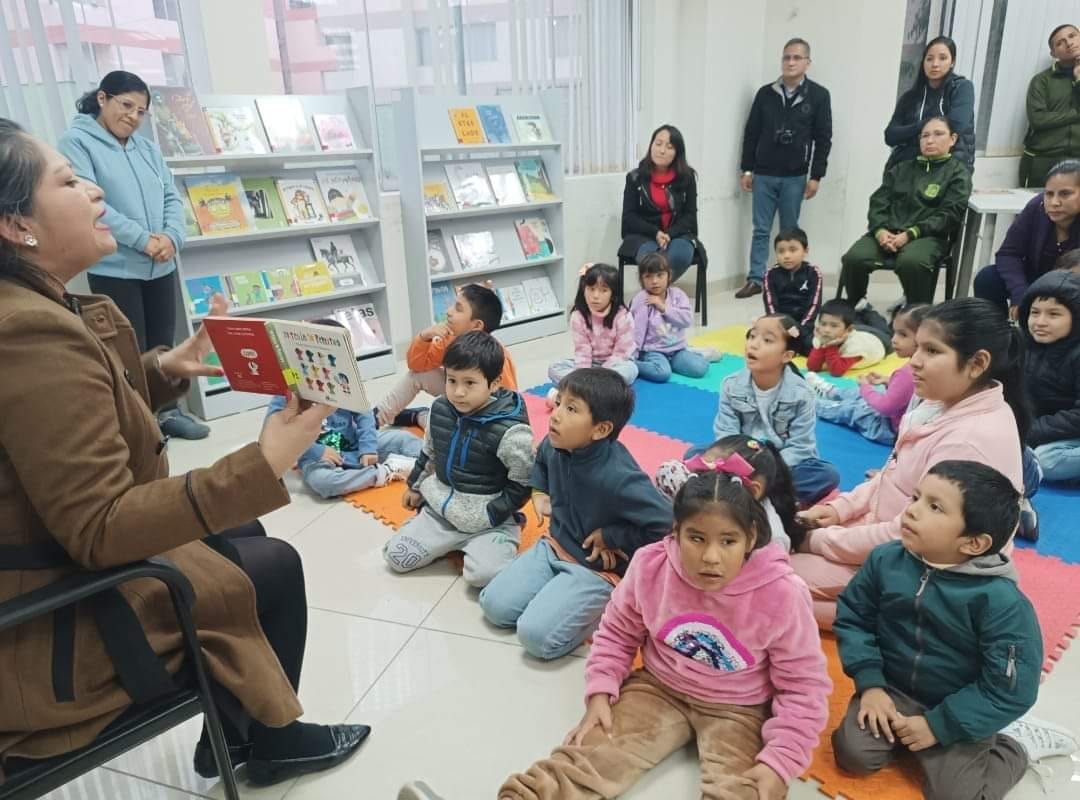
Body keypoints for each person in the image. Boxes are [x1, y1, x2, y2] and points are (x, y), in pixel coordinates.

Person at [0, 118, 368, 786]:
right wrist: (264, 462)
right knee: (273, 563)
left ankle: (242, 731)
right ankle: (268, 739)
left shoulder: (29, 308)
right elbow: (99, 526)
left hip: (44, 559)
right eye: (70, 181)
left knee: (246, 533)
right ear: (16, 225)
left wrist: (161, 368)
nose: (95, 192)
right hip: (53, 625)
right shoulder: (27, 331)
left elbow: (59, 417)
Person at [496, 475, 831, 800]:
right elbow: (617, 632)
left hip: (740, 708)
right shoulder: (651, 565)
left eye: (728, 541)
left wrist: (780, 760)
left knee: (747, 789)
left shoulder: (783, 594)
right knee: (594, 757)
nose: (711, 557)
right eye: (696, 538)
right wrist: (600, 690)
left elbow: (803, 686)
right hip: (658, 688)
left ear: (751, 536)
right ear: (676, 531)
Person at [832, 460, 1079, 798]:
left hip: (958, 705)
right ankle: (912, 737)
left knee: (956, 795)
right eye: (916, 497)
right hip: (893, 689)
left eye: (934, 507)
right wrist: (871, 684)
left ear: (973, 543)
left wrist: (939, 726)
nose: (912, 511)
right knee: (853, 755)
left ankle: (1016, 745)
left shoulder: (1002, 604)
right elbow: (854, 617)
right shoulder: (886, 560)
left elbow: (1010, 689)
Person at [791, 298, 1029, 628]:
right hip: (892, 536)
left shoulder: (967, 440)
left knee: (774, 578)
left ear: (976, 363)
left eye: (931, 351)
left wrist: (816, 540)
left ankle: (911, 622)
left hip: (925, 565)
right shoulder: (938, 402)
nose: (914, 361)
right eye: (917, 347)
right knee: (771, 551)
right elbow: (891, 473)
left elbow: (910, 535)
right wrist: (837, 511)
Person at [479, 368, 671, 660]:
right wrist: (539, 492)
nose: (556, 415)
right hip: (555, 545)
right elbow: (540, 461)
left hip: (595, 568)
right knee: (494, 607)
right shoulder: (556, 443)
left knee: (535, 638)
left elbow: (668, 523)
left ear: (601, 430)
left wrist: (613, 536)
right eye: (558, 403)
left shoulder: (619, 476)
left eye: (571, 409)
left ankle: (611, 606)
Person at [57, 71, 207, 439]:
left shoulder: (148, 148)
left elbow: (171, 196)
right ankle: (142, 424)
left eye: (141, 111)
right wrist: (143, 240)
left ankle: (169, 411)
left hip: (161, 264)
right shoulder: (76, 143)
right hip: (116, 268)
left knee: (162, 343)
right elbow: (93, 203)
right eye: (126, 105)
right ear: (102, 98)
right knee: (128, 349)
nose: (133, 117)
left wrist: (172, 238)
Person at [382, 331, 533, 588]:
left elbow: (523, 482)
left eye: (470, 383)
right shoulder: (440, 409)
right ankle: (440, 535)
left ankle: (506, 531)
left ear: (494, 383)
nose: (458, 392)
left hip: (488, 521)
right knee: (396, 557)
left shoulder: (511, 432)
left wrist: (494, 513)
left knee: (483, 577)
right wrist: (415, 487)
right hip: (441, 512)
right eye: (452, 380)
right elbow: (429, 452)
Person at [263, 319, 423, 499]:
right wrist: (317, 451)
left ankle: (428, 463)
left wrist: (368, 447)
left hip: (355, 446)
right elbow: (279, 435)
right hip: (318, 458)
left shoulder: (344, 380)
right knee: (324, 482)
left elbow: (364, 414)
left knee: (402, 438)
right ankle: (385, 471)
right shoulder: (289, 389)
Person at [704, 314, 840, 506]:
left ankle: (742, 495)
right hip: (740, 460)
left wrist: (765, 467)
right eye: (752, 336)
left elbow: (801, 447)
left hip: (781, 465)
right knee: (695, 454)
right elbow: (726, 434)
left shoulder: (802, 394)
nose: (753, 344)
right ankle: (764, 498)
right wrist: (742, 464)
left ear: (787, 356)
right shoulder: (731, 385)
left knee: (826, 474)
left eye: (767, 340)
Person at [839, 116, 972, 306]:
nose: (930, 140)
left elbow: (949, 215)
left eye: (938, 134)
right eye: (925, 135)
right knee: (854, 258)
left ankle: (916, 311)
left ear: (953, 139)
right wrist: (880, 231)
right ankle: (858, 306)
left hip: (927, 237)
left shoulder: (957, 173)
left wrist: (910, 234)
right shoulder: (901, 169)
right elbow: (878, 203)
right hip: (887, 233)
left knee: (911, 263)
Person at [737, 37, 832, 299]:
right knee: (761, 229)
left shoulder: (819, 96)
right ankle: (756, 279)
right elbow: (751, 133)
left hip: (795, 176)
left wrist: (816, 176)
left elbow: (823, 138)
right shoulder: (765, 94)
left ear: (807, 62)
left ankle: (789, 280)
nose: (790, 62)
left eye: (796, 57)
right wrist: (747, 169)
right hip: (764, 173)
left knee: (790, 231)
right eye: (786, 57)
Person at [373, 283, 517, 429]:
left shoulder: (496, 356)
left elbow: (508, 401)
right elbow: (416, 366)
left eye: (458, 309)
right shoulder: (450, 338)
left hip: (481, 416)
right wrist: (424, 337)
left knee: (445, 431)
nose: (449, 311)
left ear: (477, 326)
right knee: (417, 375)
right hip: (457, 398)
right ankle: (376, 419)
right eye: (453, 305)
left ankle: (419, 416)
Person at [655, 434, 807, 553]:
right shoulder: (701, 496)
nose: (705, 482)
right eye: (700, 472)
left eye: (728, 541)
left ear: (753, 491)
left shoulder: (771, 541)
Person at [809, 304, 929, 445]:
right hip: (903, 421)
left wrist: (865, 388)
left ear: (923, 338)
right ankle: (832, 391)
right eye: (895, 333)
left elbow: (886, 408)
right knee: (870, 392)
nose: (894, 339)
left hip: (888, 429)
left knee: (853, 409)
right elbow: (912, 391)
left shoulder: (907, 372)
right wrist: (888, 380)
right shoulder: (932, 365)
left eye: (903, 335)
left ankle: (809, 404)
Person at [973, 160, 1080, 315]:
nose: (1054, 202)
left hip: (1073, 286)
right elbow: (1009, 253)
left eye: (1065, 194)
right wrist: (1019, 292)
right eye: (1049, 194)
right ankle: (995, 329)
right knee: (987, 278)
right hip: (1036, 279)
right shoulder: (1037, 207)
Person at [1019, 270, 1080, 484]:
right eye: (1034, 312)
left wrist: (1032, 430)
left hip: (1068, 432)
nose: (1040, 322)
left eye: (1054, 314)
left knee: (1046, 460)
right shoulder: (1023, 346)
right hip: (1047, 430)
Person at [620, 124, 699, 283]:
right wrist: (655, 232)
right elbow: (629, 217)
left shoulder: (687, 177)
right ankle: (660, 295)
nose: (661, 150)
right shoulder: (635, 178)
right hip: (644, 235)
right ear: (651, 145)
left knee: (678, 256)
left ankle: (656, 294)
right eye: (658, 144)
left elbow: (690, 216)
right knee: (652, 262)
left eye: (669, 147)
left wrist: (669, 234)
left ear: (677, 153)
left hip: (678, 234)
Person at [884, 36, 975, 173]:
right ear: (923, 62)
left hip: (948, 170)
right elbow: (890, 136)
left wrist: (914, 131)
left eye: (942, 58)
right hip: (909, 169)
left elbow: (957, 124)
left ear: (952, 62)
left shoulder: (961, 88)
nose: (935, 64)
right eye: (929, 59)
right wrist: (923, 126)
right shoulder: (910, 97)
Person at [547, 262, 637, 395]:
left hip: (616, 364)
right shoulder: (578, 316)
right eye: (591, 289)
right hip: (591, 365)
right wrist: (584, 373)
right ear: (583, 289)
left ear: (613, 294)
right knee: (554, 368)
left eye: (603, 290)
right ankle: (594, 389)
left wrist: (600, 374)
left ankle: (582, 388)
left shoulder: (623, 316)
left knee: (630, 370)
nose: (595, 296)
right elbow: (582, 351)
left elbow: (622, 353)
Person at [630, 251, 708, 382]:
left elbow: (686, 320)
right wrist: (634, 355)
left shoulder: (678, 295)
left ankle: (695, 353)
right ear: (642, 280)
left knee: (700, 368)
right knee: (663, 374)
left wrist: (664, 308)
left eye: (660, 275)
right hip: (653, 351)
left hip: (677, 350)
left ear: (669, 276)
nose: (655, 281)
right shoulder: (642, 300)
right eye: (648, 276)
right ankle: (633, 365)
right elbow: (637, 331)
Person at [1020, 24, 1080, 188]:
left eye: (1072, 36)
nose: (1069, 43)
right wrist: (1076, 114)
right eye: (1060, 43)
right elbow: (1038, 120)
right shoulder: (1041, 80)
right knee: (1037, 204)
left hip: (1078, 159)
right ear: (1053, 53)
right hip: (1043, 159)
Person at [762, 227, 822, 354]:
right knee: (754, 337)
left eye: (793, 250)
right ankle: (788, 346)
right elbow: (770, 305)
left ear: (805, 251)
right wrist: (780, 326)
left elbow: (814, 305)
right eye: (781, 251)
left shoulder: (813, 273)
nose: (787, 256)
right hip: (778, 324)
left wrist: (802, 329)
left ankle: (791, 346)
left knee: (814, 347)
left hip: (803, 325)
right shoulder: (770, 274)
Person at [804, 299, 886, 377]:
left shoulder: (855, 346)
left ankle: (867, 310)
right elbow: (812, 367)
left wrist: (830, 345)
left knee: (880, 326)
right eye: (823, 324)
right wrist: (822, 344)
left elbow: (836, 372)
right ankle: (858, 314)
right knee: (856, 323)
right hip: (852, 331)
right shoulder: (823, 336)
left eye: (834, 326)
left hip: (879, 339)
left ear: (849, 329)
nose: (826, 330)